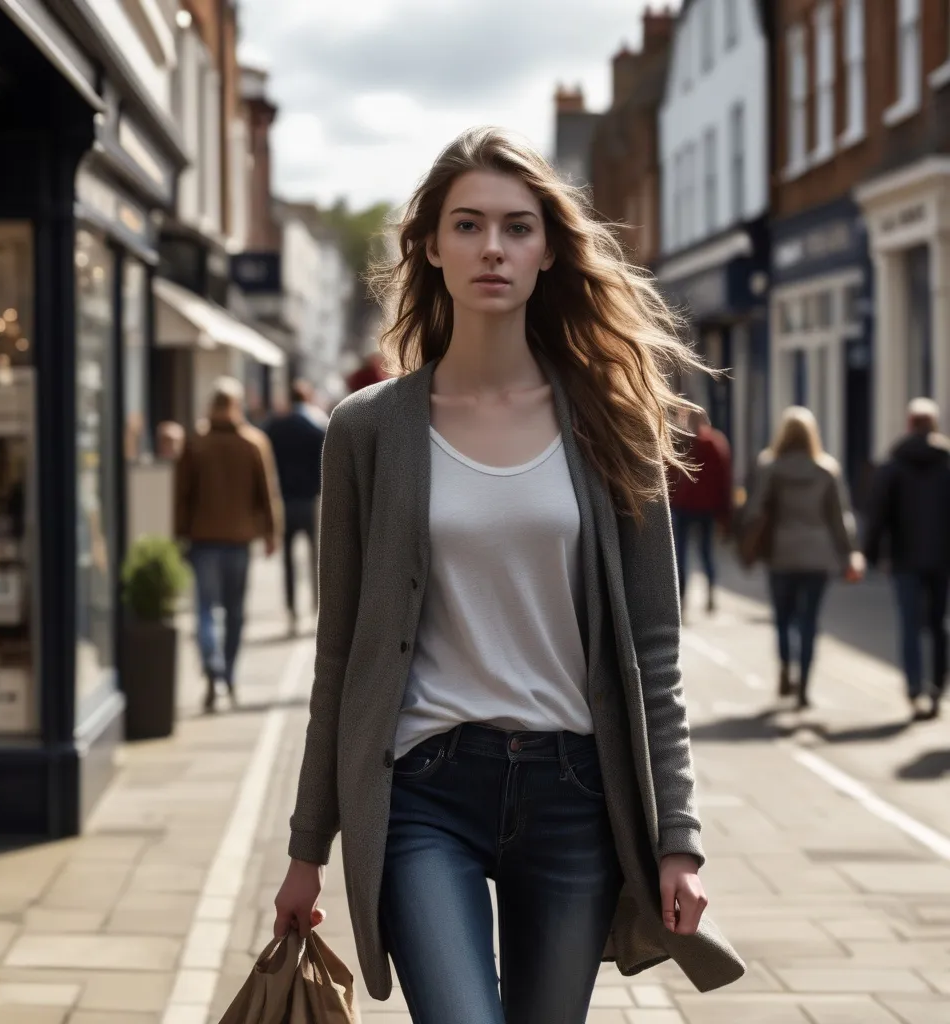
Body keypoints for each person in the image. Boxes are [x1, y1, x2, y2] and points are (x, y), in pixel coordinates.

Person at [272, 127, 743, 1024]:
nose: (493, 246)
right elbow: (341, 657)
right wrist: (307, 847)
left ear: (549, 251)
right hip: (423, 790)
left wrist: (678, 840)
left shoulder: (612, 420)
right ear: (431, 247)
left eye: (518, 227)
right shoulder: (367, 431)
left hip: (574, 792)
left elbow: (655, 650)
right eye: (468, 225)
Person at [174, 377, 283, 711]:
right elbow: (267, 491)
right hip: (238, 539)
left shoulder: (196, 443)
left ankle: (212, 667)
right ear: (236, 407)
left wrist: (178, 533)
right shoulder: (253, 442)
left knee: (205, 609)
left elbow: (182, 494)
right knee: (235, 611)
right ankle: (230, 673)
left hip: (203, 537)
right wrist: (271, 532)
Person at [743, 407, 863, 709]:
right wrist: (851, 552)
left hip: (781, 553)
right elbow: (840, 518)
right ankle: (805, 686)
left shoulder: (770, 467)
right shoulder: (826, 470)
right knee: (809, 621)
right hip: (818, 555)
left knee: (783, 618)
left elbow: (755, 510)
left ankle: (785, 666)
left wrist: (747, 540)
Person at [863, 398, 950, 720]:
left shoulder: (894, 465)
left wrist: (870, 555)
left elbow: (878, 514)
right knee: (939, 625)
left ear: (910, 424)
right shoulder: (946, 462)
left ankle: (915, 687)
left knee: (910, 625)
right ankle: (938, 687)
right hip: (942, 559)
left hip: (905, 559)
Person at [267, 380, 329, 636]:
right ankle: (318, 609)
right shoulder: (316, 427)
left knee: (288, 561)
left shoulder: (275, 428)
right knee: (317, 560)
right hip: (311, 501)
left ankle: (292, 610)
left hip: (284, 501)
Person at [668, 409, 732, 616]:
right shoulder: (714, 443)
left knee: (680, 553)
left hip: (683, 504)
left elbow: (667, 474)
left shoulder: (678, 442)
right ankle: (711, 590)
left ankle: (682, 597)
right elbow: (724, 478)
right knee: (705, 551)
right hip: (706, 506)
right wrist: (724, 511)